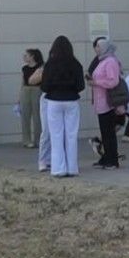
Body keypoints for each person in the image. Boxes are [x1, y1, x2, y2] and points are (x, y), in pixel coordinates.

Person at [41, 35, 85, 177]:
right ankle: (72, 168)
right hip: (71, 100)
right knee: (71, 135)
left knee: (56, 135)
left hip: (54, 100)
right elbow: (81, 86)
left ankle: (58, 169)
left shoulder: (49, 65)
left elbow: (44, 86)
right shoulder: (76, 64)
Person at [89, 38, 124, 169]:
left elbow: (113, 81)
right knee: (105, 132)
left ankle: (112, 160)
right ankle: (106, 157)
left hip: (108, 102)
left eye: (98, 46)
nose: (96, 49)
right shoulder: (102, 60)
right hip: (101, 101)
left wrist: (96, 82)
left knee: (109, 132)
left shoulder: (110, 61)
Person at [19, 49, 44, 149]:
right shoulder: (24, 68)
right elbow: (22, 82)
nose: (24, 57)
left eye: (26, 55)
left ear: (32, 56)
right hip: (25, 90)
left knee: (37, 116)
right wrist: (19, 96)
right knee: (25, 116)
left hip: (37, 90)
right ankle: (27, 140)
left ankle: (38, 140)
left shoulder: (40, 67)